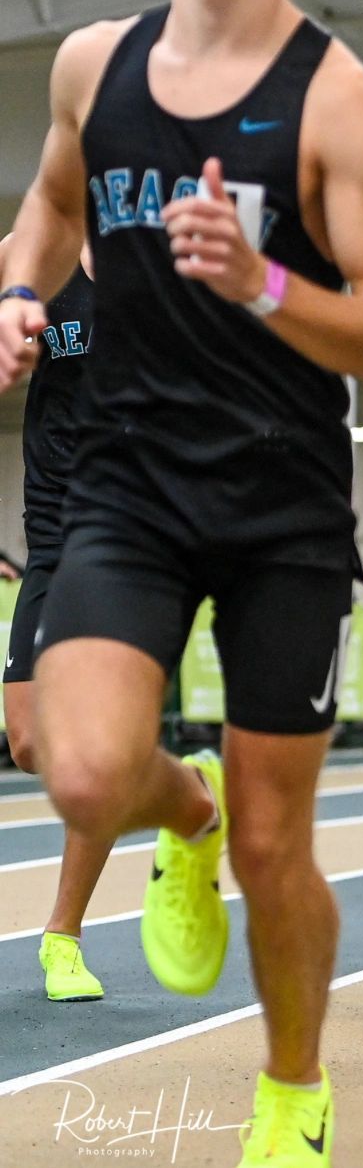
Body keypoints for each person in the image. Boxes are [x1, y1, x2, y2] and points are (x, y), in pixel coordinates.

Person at [0, 0, 363, 1163]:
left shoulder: (334, 97)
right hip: (128, 479)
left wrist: (265, 282)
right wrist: (17, 292)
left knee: (279, 847)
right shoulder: (92, 65)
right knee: (78, 769)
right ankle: (175, 812)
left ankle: (293, 1087)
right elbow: (55, 207)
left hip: (282, 507)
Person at [0, 237, 110, 1002]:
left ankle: (62, 939)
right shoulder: (32, 255)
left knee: (92, 748)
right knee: (32, 743)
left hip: (132, 539)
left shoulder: (170, 265)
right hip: (50, 533)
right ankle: (179, 790)